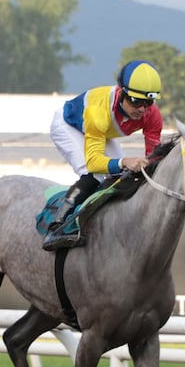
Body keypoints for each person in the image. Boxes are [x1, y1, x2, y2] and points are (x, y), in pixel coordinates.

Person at [41, 60, 164, 251]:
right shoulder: (99, 111)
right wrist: (125, 161)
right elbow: (94, 163)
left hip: (101, 132)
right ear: (121, 92)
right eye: (136, 101)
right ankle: (57, 226)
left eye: (148, 102)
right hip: (69, 126)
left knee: (120, 176)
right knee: (95, 174)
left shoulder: (152, 115)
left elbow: (153, 158)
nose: (142, 109)